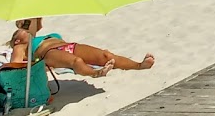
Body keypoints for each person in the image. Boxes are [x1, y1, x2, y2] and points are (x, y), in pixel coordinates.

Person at [11, 17, 154, 76]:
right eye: (20, 32)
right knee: (76, 62)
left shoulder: (40, 36)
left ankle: (139, 65)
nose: (23, 31)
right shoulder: (21, 47)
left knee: (106, 55)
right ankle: (95, 73)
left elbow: (36, 22)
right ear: (16, 41)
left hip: (69, 46)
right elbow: (14, 65)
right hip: (49, 53)